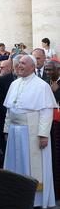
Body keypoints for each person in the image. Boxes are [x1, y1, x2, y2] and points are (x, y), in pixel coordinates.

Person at [4, 55, 57, 209]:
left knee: (31, 166)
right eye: (18, 63)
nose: (19, 65)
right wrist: (6, 130)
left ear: (33, 67)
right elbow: (9, 110)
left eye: (23, 63)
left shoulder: (42, 86)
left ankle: (35, 201)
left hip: (32, 132)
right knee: (15, 165)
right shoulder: (14, 84)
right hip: (14, 131)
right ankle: (16, 198)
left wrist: (43, 135)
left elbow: (46, 113)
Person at [45, 61, 60, 200]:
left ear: (58, 70)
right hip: (51, 125)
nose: (48, 72)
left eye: (50, 70)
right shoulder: (45, 82)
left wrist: (56, 92)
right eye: (46, 70)